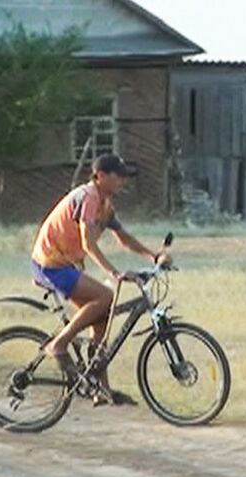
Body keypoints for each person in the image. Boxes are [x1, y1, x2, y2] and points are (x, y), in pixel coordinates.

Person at [31, 153, 169, 406]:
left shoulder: (105, 204)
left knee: (101, 320)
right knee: (106, 297)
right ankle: (58, 344)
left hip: (65, 265)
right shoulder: (89, 196)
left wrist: (154, 256)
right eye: (118, 176)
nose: (123, 181)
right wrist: (113, 273)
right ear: (101, 176)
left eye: (125, 177)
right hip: (50, 264)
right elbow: (87, 241)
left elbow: (123, 238)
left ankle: (100, 389)